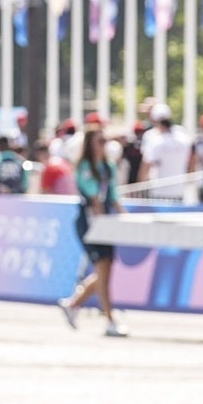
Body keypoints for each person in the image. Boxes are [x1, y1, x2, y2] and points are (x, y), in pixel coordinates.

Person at [58, 126, 127, 337]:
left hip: (103, 221)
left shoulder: (107, 166)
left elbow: (112, 194)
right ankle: (110, 319)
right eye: (99, 141)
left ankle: (72, 304)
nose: (103, 146)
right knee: (102, 271)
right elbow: (94, 197)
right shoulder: (85, 167)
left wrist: (123, 215)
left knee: (105, 271)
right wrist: (103, 216)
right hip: (90, 223)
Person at [140, 105, 192, 188]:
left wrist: (141, 184)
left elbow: (146, 163)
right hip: (178, 186)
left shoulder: (152, 138)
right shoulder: (182, 136)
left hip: (158, 187)